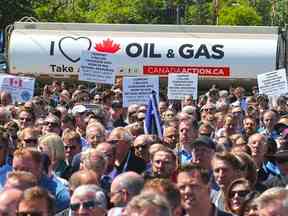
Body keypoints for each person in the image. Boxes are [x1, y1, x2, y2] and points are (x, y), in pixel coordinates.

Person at [12, 148, 70, 212]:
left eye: (25, 170)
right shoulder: (10, 190)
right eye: (15, 169)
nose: (18, 174)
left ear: (39, 167)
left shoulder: (60, 196)